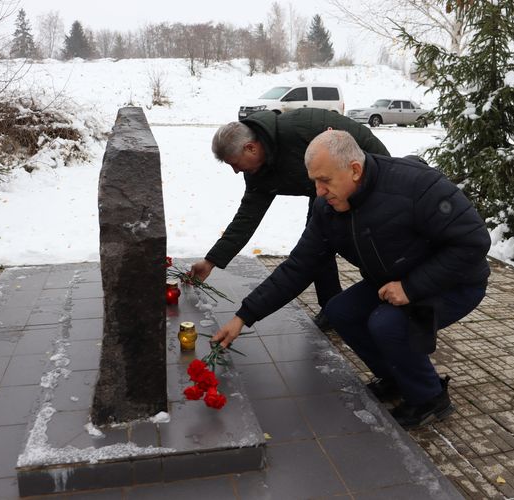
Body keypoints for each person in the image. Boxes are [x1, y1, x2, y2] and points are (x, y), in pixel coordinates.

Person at [212, 130, 491, 429]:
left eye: (325, 181)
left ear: (355, 170)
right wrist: (244, 315)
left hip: (453, 281)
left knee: (388, 324)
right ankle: (397, 378)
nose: (318, 191)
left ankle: (429, 398)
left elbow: (473, 242)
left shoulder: (416, 186)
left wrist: (411, 288)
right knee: (340, 312)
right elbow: (299, 267)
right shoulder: (328, 208)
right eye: (314, 181)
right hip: (392, 279)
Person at [190, 108, 390, 327]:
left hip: (362, 172)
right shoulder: (257, 172)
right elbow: (247, 218)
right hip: (321, 191)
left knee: (365, 240)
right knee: (317, 243)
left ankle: (389, 298)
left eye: (235, 163)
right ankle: (332, 307)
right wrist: (211, 261)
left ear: (251, 148)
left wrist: (376, 183)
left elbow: (361, 144)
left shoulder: (298, 130)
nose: (236, 171)